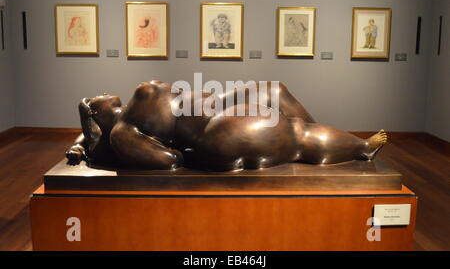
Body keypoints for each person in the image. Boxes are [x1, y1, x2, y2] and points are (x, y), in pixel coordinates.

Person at [66, 81, 387, 171]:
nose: (104, 90)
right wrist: (185, 151)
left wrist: (81, 145)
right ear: (97, 113)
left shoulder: (124, 119)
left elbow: (91, 138)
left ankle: (324, 140)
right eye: (96, 97)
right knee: (291, 133)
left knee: (275, 90)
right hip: (213, 128)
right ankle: (359, 147)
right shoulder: (124, 133)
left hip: (217, 102)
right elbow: (169, 161)